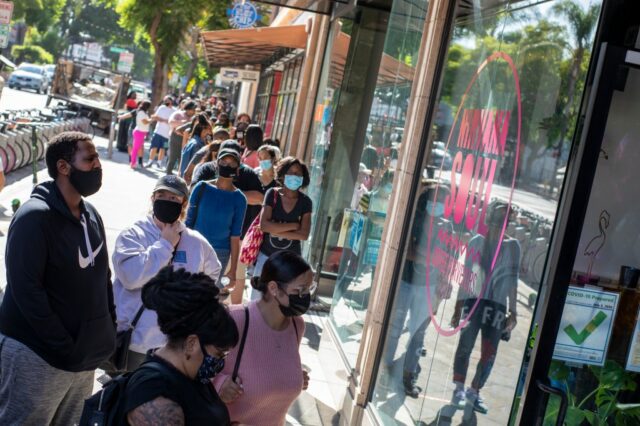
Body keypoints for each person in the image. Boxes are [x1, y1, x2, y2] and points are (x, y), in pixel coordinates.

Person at [0, 132, 116, 424]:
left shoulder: (91, 215)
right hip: (37, 356)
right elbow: (27, 291)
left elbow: (103, 279)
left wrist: (106, 331)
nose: (98, 165)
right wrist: (64, 344)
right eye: (90, 159)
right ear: (64, 167)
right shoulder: (34, 217)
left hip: (81, 361)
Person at [113, 175, 222, 372]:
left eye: (174, 198)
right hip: (136, 344)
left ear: (184, 203)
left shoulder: (196, 242)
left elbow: (212, 274)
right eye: (161, 195)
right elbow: (130, 277)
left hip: (174, 348)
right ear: (152, 199)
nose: (167, 201)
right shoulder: (133, 234)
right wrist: (165, 244)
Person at [124, 267, 238, 425]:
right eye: (218, 354)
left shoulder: (191, 373)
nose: (220, 362)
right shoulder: (154, 395)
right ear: (192, 344)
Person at [214, 251, 311, 426]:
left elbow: (273, 371)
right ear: (273, 288)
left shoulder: (297, 325)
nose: (305, 297)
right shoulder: (236, 319)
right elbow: (192, 368)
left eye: (309, 289)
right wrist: (219, 383)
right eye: (300, 290)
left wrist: (295, 377)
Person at [381, 181, 454, 398]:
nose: (438, 203)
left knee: (418, 335)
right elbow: (408, 253)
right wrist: (433, 259)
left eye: (443, 199)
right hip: (406, 282)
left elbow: (447, 259)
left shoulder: (446, 226)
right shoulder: (415, 219)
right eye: (435, 198)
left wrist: (441, 275)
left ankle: (408, 377)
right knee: (394, 329)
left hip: (429, 288)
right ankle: (383, 372)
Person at [450, 202, 520, 415]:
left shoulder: (513, 246)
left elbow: (512, 280)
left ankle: (474, 391)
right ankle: (459, 389)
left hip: (497, 305)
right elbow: (466, 278)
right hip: (474, 301)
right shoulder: (477, 241)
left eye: (505, 221)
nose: (501, 225)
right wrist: (458, 307)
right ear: (489, 219)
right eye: (498, 220)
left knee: (489, 353)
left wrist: (514, 312)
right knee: (465, 345)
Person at [251, 157, 313, 300]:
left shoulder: (305, 202)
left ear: (303, 178)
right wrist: (293, 226)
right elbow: (264, 225)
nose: (294, 176)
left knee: (283, 300)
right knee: (258, 298)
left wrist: (275, 229)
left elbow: (304, 234)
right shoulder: (272, 194)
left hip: (290, 262)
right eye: (291, 172)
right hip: (266, 257)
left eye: (298, 174)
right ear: (283, 174)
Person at [186, 149, 247, 283]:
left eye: (232, 164)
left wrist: (233, 270)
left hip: (219, 254)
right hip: (194, 246)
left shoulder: (240, 199)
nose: (227, 166)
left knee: (208, 296)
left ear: (238, 169)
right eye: (223, 162)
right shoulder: (201, 188)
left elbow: (235, 235)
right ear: (216, 164)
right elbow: (188, 222)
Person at [166, 100, 197, 175]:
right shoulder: (178, 114)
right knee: (172, 157)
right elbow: (171, 122)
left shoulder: (193, 118)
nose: (193, 112)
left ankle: (179, 176)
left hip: (186, 140)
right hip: (176, 138)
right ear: (188, 108)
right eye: (193, 110)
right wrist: (183, 123)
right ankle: (168, 174)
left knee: (182, 159)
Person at [147, 95, 176, 168]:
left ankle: (159, 163)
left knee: (163, 149)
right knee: (154, 147)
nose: (165, 102)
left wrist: (162, 119)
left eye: (167, 100)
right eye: (165, 100)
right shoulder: (161, 108)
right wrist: (165, 120)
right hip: (158, 132)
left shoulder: (174, 111)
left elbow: (171, 121)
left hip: (167, 135)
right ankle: (150, 161)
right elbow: (155, 117)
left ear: (171, 101)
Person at [130, 100, 152, 169]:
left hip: (141, 132)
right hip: (139, 132)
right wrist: (152, 119)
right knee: (135, 149)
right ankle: (132, 163)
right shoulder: (141, 113)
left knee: (139, 148)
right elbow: (145, 122)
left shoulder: (143, 112)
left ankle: (136, 163)